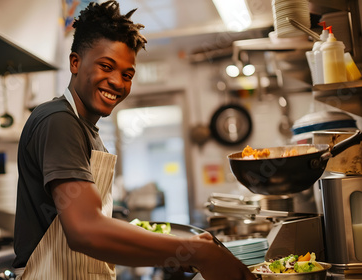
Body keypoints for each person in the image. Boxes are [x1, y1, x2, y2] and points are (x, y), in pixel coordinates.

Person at [13, 1, 255, 279]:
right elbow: (85, 229)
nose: (118, 82)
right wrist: (198, 252)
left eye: (127, 75)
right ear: (75, 62)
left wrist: (174, 250)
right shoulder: (58, 121)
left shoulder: (88, 133)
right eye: (106, 66)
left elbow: (96, 222)